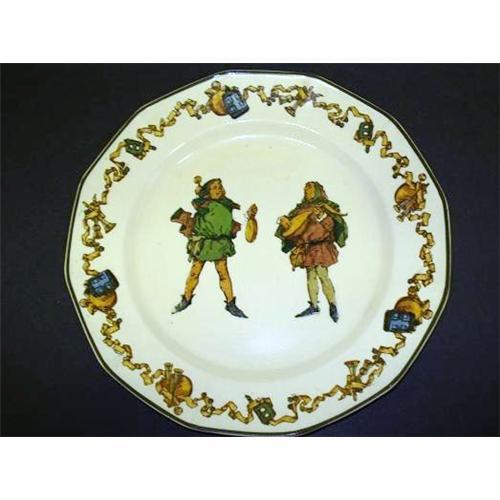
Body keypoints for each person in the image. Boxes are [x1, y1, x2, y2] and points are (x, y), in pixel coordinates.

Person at [171, 176, 256, 318]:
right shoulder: (204, 204)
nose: (219, 190)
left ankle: (231, 303)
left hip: (219, 244)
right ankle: (186, 299)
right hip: (204, 244)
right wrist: (200, 192)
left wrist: (250, 216)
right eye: (214, 188)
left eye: (220, 187)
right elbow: (197, 202)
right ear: (208, 192)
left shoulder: (227, 204)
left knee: (223, 274)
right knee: (194, 272)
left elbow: (235, 221)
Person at [275, 181, 348, 322]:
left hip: (321, 247)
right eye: (305, 189)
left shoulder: (326, 207)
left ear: (317, 191)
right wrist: (284, 222)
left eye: (309, 188)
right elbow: (295, 227)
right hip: (307, 248)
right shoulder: (301, 209)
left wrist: (321, 216)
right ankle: (314, 305)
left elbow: (330, 226)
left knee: (322, 275)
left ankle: (332, 305)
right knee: (310, 277)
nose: (306, 191)